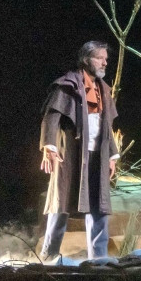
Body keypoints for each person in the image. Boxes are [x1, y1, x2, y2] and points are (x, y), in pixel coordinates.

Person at [38, 41, 119, 262]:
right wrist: (49, 146)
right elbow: (51, 117)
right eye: (99, 58)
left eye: (105, 58)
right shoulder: (68, 85)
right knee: (61, 205)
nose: (104, 62)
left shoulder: (103, 89)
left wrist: (112, 155)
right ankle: (48, 255)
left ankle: (98, 259)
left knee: (99, 207)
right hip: (72, 155)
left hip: (98, 156)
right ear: (86, 60)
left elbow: (106, 126)